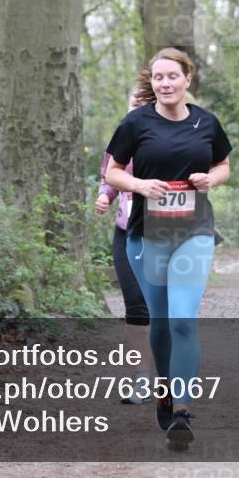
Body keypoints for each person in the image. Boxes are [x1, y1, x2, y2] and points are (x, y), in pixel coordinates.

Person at [104, 48, 232, 449]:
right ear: (152, 82)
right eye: (158, 77)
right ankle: (163, 385)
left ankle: (182, 409)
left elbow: (224, 165)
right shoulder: (135, 123)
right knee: (159, 323)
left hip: (195, 231)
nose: (165, 83)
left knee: (183, 320)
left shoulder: (205, 122)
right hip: (147, 234)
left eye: (172, 76)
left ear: (187, 79)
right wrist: (140, 185)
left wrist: (212, 179)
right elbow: (111, 171)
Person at [94, 91, 154, 404]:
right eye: (132, 104)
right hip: (127, 232)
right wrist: (105, 195)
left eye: (142, 106)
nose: (135, 111)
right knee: (135, 306)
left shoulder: (171, 142)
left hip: (165, 234)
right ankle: (142, 379)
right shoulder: (122, 140)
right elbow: (109, 176)